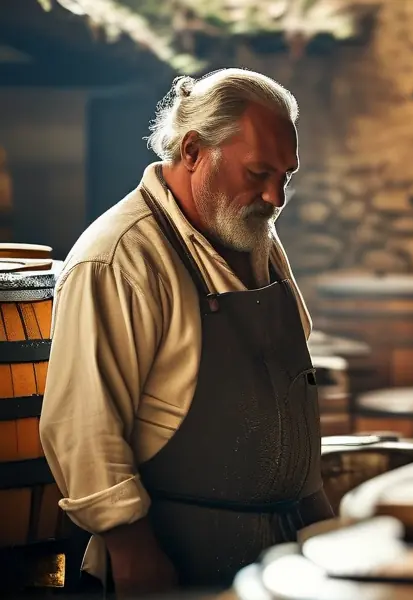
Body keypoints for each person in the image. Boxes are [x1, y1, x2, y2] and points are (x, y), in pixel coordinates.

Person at [39, 68, 334, 596]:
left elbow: (289, 387)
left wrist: (316, 518)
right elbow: (82, 425)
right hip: (174, 560)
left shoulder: (251, 234)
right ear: (194, 150)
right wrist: (134, 552)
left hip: (281, 549)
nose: (276, 197)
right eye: (259, 173)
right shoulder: (118, 258)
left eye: (285, 177)